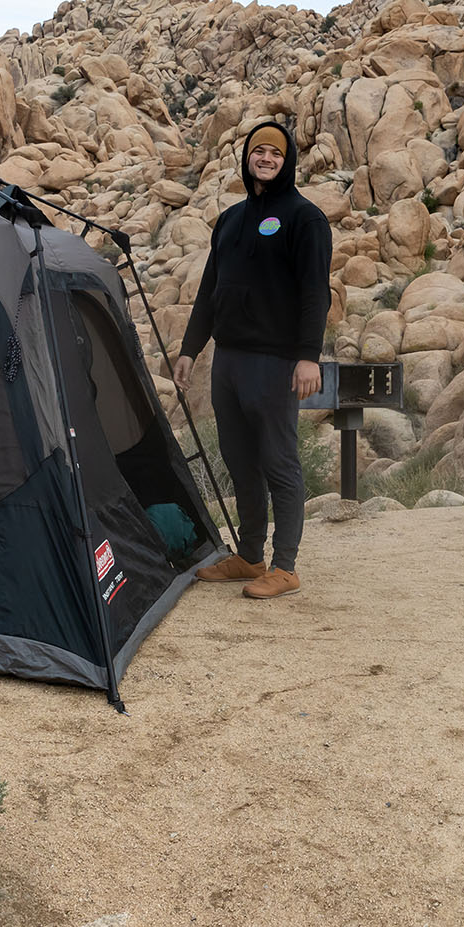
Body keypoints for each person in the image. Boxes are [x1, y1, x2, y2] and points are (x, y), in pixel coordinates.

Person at [174, 120, 331, 599]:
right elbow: (210, 291)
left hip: (276, 361)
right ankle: (249, 556)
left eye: (275, 153)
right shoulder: (231, 219)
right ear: (247, 158)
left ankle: (285, 566)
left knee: (278, 461)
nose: (266, 158)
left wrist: (308, 357)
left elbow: (315, 293)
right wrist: (189, 349)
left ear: (287, 161)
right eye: (259, 151)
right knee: (240, 461)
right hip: (229, 361)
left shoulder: (305, 218)